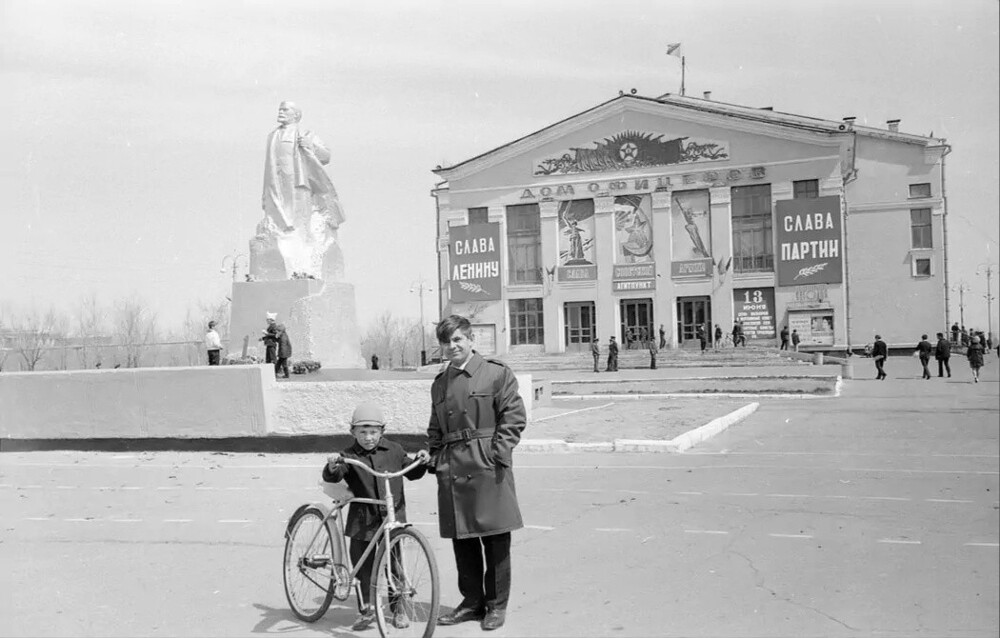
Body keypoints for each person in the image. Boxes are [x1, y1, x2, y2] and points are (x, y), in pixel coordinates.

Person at [427, 315, 526, 631]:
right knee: (463, 541)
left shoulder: (496, 374)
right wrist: (435, 457)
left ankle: (496, 606)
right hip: (453, 469)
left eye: (457, 339)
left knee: (495, 540)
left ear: (471, 340)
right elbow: (434, 428)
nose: (452, 346)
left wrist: (497, 453)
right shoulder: (440, 383)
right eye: (446, 342)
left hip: (486, 465)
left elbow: (513, 418)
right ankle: (472, 602)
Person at [322, 403, 430, 631]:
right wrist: (333, 465)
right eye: (362, 432)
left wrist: (422, 461)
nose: (368, 437)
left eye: (373, 432)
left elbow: (411, 472)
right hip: (363, 521)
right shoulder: (349, 455)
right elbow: (335, 475)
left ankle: (398, 608)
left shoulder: (395, 450)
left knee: (396, 565)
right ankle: (367, 610)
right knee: (364, 567)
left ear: (382, 431)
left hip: (393, 518)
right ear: (352, 432)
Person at [259, 101, 346, 280]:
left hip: (298, 184)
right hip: (276, 184)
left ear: (296, 115)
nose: (281, 112)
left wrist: (310, 146)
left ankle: (301, 252)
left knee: (299, 220)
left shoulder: (305, 134)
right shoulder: (272, 136)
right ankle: (283, 243)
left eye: (285, 110)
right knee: (277, 218)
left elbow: (326, 156)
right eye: (279, 109)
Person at [265, 314, 292, 378]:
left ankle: (285, 375)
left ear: (280, 331)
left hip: (283, 353)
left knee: (282, 364)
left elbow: (283, 346)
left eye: (277, 331)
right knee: (279, 363)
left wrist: (281, 354)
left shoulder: (283, 338)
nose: (276, 332)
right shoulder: (283, 336)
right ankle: (276, 373)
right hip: (283, 353)